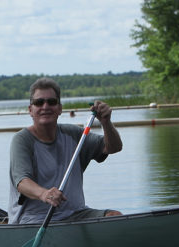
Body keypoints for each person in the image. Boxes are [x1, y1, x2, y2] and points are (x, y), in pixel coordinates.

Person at [8, 77, 123, 224]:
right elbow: (22, 182)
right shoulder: (22, 140)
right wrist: (44, 194)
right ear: (31, 110)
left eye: (51, 102)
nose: (45, 106)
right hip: (34, 219)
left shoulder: (73, 134)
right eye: (39, 102)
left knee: (115, 216)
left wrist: (106, 123)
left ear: (60, 108)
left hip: (76, 214)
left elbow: (113, 147)